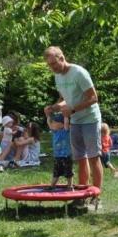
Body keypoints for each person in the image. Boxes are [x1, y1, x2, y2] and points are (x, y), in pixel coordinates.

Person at [43, 46, 103, 189]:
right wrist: (54, 107)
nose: (52, 68)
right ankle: (82, 194)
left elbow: (94, 98)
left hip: (90, 119)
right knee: (80, 158)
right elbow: (64, 99)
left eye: (54, 63)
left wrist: (73, 109)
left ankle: (96, 195)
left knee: (93, 157)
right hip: (75, 121)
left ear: (62, 58)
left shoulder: (79, 73)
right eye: (49, 65)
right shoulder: (57, 76)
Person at [47, 112, 73, 187]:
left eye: (55, 123)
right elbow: (49, 123)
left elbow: (66, 123)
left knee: (68, 172)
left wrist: (65, 116)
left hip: (66, 156)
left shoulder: (65, 131)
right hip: (57, 156)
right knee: (56, 172)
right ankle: (52, 186)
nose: (52, 124)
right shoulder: (55, 131)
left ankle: (70, 185)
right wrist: (48, 115)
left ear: (61, 124)